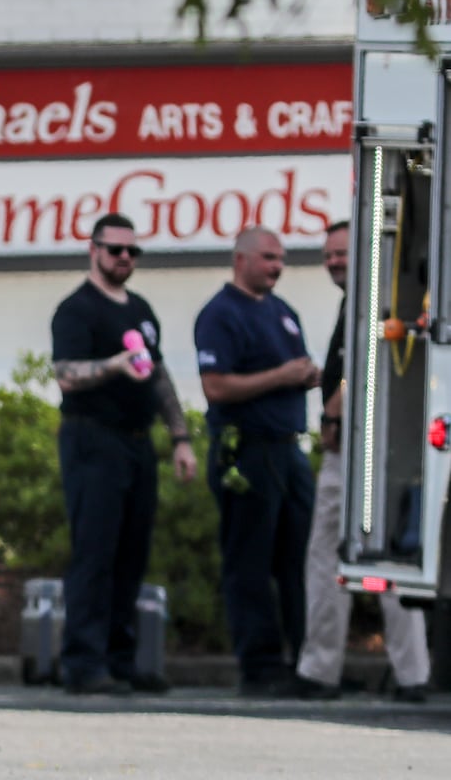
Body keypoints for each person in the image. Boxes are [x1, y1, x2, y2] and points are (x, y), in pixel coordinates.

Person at [50, 213, 198, 695]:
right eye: (116, 250)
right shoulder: (77, 310)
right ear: (93, 250)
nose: (125, 259)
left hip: (137, 443)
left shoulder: (140, 309)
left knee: (132, 552)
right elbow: (67, 373)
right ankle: (82, 662)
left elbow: (158, 375)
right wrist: (114, 364)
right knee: (95, 550)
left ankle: (120, 657)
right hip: (92, 439)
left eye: (133, 252)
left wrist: (180, 438)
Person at [292, 221, 431, 702]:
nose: (334, 261)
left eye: (342, 252)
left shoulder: (367, 300)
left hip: (355, 452)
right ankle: (413, 674)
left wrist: (331, 416)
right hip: (389, 450)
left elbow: (360, 369)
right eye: (328, 254)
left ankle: (319, 670)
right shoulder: (379, 297)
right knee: (390, 560)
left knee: (328, 558)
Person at [194, 226, 321, 697]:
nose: (276, 266)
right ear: (241, 259)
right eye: (268, 257)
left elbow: (292, 371)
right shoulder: (220, 314)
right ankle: (260, 666)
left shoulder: (283, 312)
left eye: (281, 259)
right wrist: (283, 375)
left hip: (290, 448)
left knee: (299, 560)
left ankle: (307, 662)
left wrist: (308, 378)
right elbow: (217, 387)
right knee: (250, 561)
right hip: (245, 450)